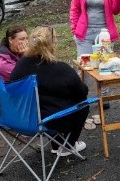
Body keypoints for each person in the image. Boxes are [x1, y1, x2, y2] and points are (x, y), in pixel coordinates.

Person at [10, 26, 90, 157]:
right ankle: (67, 146)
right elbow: (82, 92)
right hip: (49, 120)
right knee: (83, 105)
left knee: (45, 101)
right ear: (52, 44)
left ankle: (55, 144)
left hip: (21, 118)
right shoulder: (61, 69)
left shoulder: (20, 65)